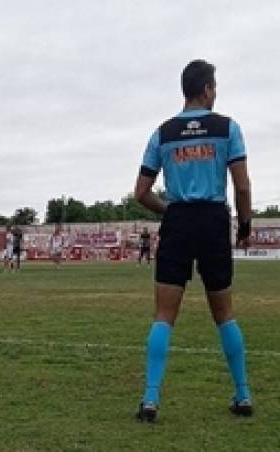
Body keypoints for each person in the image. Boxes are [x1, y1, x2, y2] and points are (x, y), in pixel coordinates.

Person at [134, 60, 253, 422]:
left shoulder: (163, 133)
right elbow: (243, 185)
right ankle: (243, 394)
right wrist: (244, 225)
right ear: (206, 89)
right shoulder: (227, 127)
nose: (215, 92)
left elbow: (141, 192)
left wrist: (169, 209)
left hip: (180, 221)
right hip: (214, 221)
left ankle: (151, 400)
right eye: (214, 86)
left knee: (164, 316)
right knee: (224, 315)